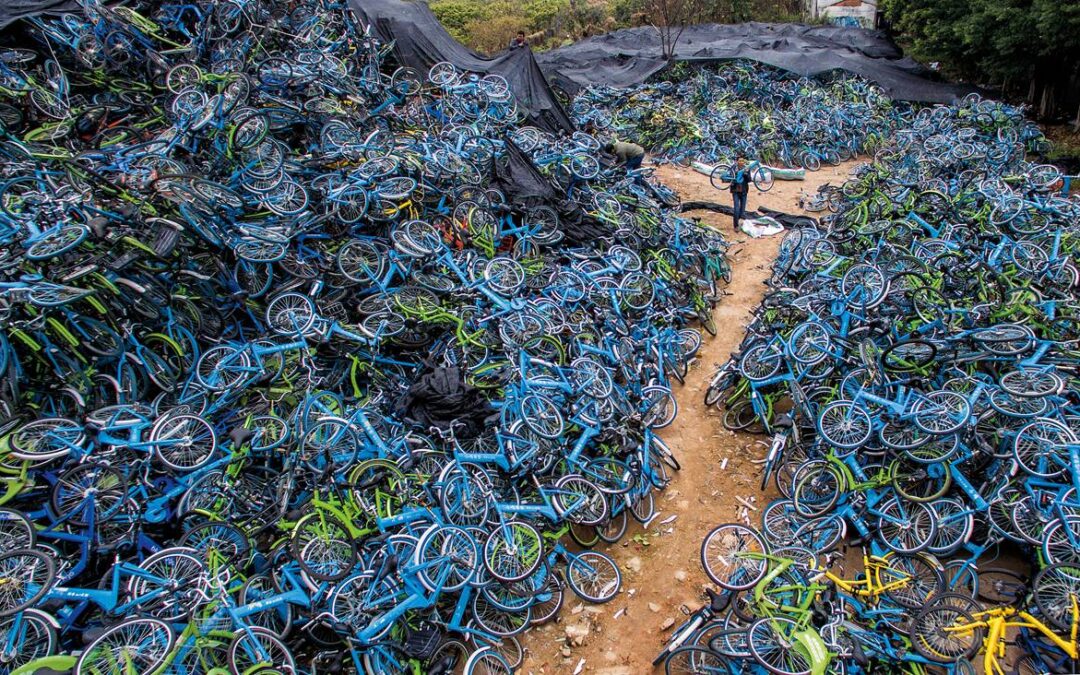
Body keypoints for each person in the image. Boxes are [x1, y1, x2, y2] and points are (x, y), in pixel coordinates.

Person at [730, 157, 752, 232]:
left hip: (744, 191)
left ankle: (738, 220)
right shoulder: (733, 168)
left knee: (742, 211)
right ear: (737, 161)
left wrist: (746, 175)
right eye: (740, 161)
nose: (741, 162)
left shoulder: (747, 168)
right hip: (735, 191)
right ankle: (735, 225)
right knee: (736, 209)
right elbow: (730, 177)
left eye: (742, 161)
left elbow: (749, 180)